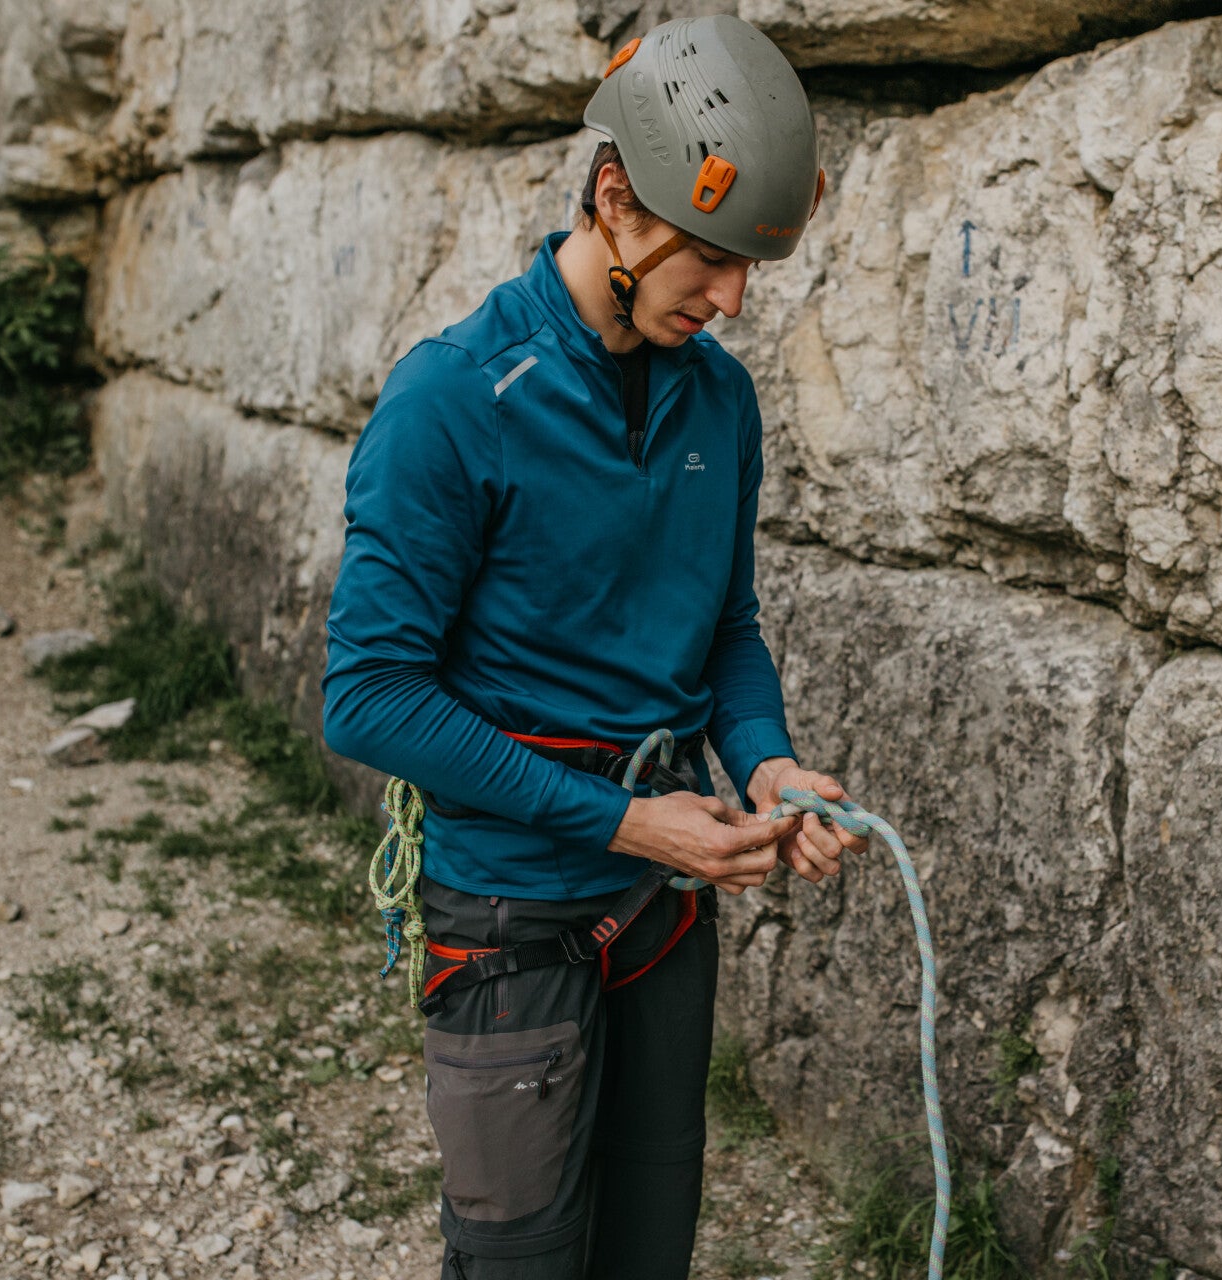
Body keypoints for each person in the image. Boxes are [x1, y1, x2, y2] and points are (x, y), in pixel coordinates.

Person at [321, 15, 866, 1278]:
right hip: (509, 906)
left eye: (752, 271)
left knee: (647, 1245)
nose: (731, 300)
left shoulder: (718, 399)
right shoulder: (454, 397)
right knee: (517, 1258)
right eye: (714, 259)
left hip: (663, 906)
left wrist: (769, 764)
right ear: (616, 199)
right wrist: (631, 824)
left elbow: (724, 629)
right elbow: (369, 697)